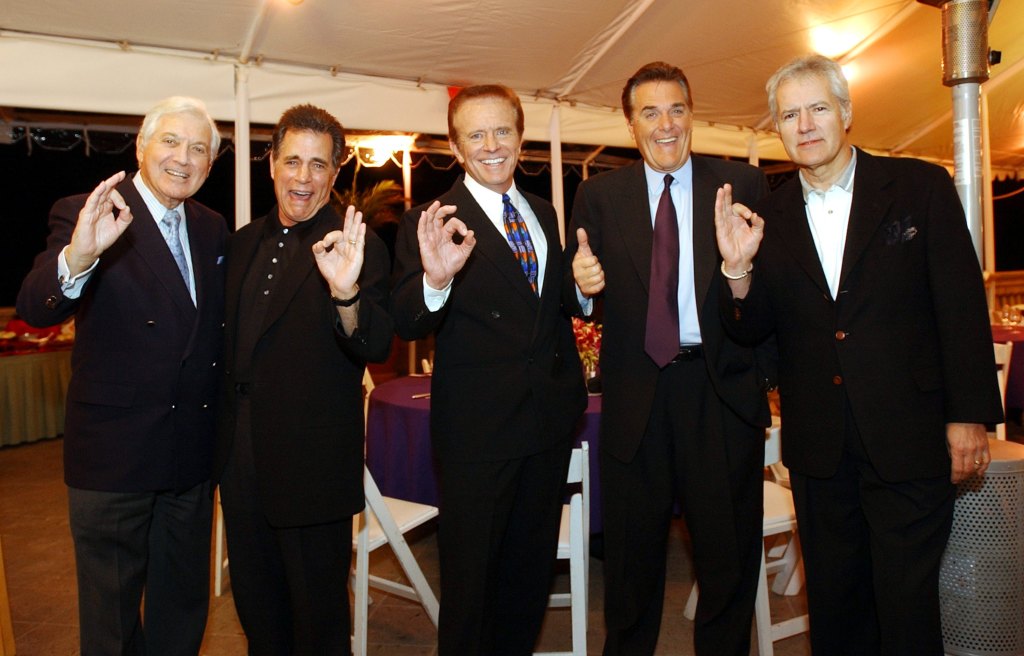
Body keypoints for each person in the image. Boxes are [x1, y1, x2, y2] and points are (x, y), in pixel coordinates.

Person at [714, 54, 1004, 654]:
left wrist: (968, 415)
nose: (805, 124)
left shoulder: (918, 187)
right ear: (778, 127)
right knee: (838, 611)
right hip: (822, 449)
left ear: (845, 112)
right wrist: (737, 271)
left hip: (912, 437)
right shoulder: (767, 216)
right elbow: (753, 330)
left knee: (906, 608)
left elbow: (960, 307)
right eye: (789, 114)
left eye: (818, 107)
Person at [563, 61, 773, 655]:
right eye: (649, 112)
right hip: (637, 398)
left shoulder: (740, 186)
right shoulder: (599, 196)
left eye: (676, 109)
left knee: (727, 562)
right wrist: (580, 284)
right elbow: (574, 293)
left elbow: (771, 293)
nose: (665, 124)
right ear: (631, 124)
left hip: (719, 392)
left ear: (692, 114)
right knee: (629, 566)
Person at [16, 96, 226, 655]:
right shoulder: (90, 209)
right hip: (113, 459)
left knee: (181, 607)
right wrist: (78, 258)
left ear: (210, 165)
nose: (184, 158)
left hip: (190, 459)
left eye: (199, 149)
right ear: (141, 146)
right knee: (110, 621)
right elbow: (37, 306)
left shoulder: (212, 226)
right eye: (172, 142)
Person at [391, 84, 587, 655]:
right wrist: (436, 280)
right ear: (454, 146)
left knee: (528, 578)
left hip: (548, 421)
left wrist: (584, 290)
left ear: (521, 136)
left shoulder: (544, 211)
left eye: (503, 130)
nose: (492, 145)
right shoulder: (432, 220)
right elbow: (405, 317)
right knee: (471, 586)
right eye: (476, 134)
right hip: (478, 431)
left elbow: (549, 307)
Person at [212, 104, 393, 654]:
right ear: (271, 163)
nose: (304, 178)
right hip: (239, 461)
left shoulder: (356, 245)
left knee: (318, 623)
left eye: (319, 165)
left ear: (335, 173)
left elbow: (376, 343)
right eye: (293, 161)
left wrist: (346, 293)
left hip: (313, 469)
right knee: (258, 612)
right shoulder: (240, 242)